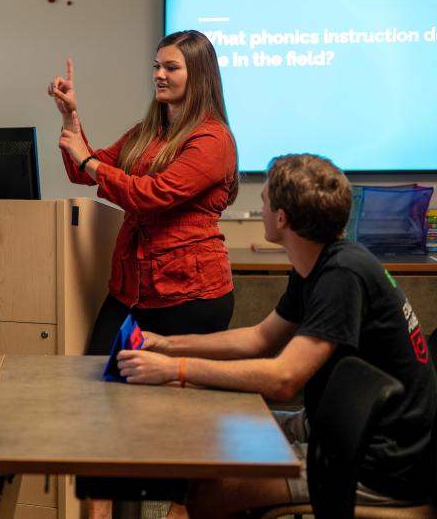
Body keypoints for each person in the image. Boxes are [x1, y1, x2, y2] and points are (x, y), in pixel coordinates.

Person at [117, 154, 436, 516]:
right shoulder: (319, 261)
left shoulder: (342, 275)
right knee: (209, 433)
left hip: (376, 464)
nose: (262, 205)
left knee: (208, 488)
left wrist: (176, 370)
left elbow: (284, 378)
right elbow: (259, 339)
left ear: (282, 218)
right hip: (337, 428)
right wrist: (165, 345)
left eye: (265, 199)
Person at [49, 30, 239, 355]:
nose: (159, 75)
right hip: (131, 290)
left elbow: (151, 196)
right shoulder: (146, 131)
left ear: (199, 75)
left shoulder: (213, 139)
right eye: (157, 66)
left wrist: (88, 160)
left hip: (190, 294)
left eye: (171, 67)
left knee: (168, 401)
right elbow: (84, 172)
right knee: (96, 375)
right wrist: (70, 119)